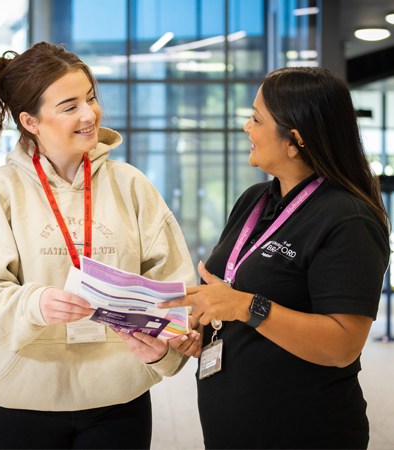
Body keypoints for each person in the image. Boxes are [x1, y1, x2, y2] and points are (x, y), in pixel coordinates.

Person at [0, 41, 200, 449]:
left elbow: (175, 287)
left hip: (118, 397)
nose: (89, 114)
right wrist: (35, 304)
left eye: (91, 98)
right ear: (30, 121)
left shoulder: (131, 184)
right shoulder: (1, 190)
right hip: (18, 398)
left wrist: (164, 351)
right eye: (69, 106)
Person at [159, 67, 390, 449]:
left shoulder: (348, 218)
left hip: (307, 431)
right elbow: (233, 297)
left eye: (256, 118)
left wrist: (245, 306)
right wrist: (201, 327)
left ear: (294, 140)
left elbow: (343, 345)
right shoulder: (255, 200)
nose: (246, 128)